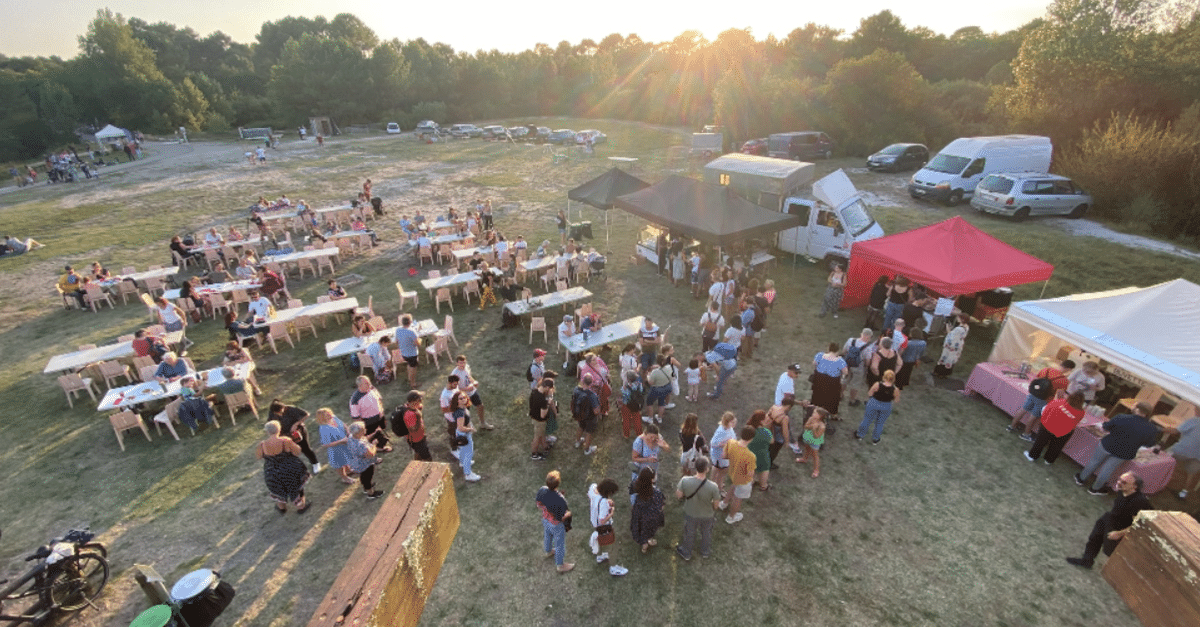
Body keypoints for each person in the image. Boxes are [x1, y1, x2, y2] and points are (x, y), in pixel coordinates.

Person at [1065, 472, 1152, 570]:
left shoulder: (1139, 502)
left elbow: (1141, 524)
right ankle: (1087, 561)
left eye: (1124, 482)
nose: (1119, 483)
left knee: (1111, 551)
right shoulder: (1122, 490)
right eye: (1119, 479)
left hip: (1120, 528)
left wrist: (1119, 533)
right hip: (1110, 518)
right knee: (1094, 539)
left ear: (1134, 486)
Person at [1075, 402, 1160, 495]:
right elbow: (1149, 444)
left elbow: (1105, 427)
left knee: (1094, 462)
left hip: (1107, 445)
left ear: (1137, 409)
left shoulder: (1122, 417)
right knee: (1108, 470)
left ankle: (1081, 479)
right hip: (1124, 452)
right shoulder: (1152, 429)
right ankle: (1095, 489)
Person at [1008, 359, 1076, 438]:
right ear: (1069, 369)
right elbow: (1060, 395)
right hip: (1045, 399)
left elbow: (1036, 380)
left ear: (1061, 363)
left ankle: (1011, 426)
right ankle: (1026, 434)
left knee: (1023, 409)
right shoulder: (1064, 381)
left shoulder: (1046, 369)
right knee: (1033, 417)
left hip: (1034, 393)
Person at [257, 421, 312, 513]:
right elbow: (297, 452)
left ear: (267, 432)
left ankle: (281, 508)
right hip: (289, 468)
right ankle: (301, 507)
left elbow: (258, 457)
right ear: (279, 429)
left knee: (278, 489)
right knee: (295, 487)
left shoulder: (261, 445)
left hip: (271, 471)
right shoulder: (285, 440)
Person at [674, 457, 720, 561]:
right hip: (707, 515)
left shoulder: (685, 480)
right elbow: (716, 506)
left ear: (695, 468)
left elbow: (679, 496)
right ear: (707, 469)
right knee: (706, 533)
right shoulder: (713, 486)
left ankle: (686, 553)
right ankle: (705, 552)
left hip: (691, 513)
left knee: (689, 533)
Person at [1025, 392, 1088, 465]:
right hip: (1064, 431)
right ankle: (1049, 460)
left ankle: (1032, 456)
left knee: (1040, 442)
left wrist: (1043, 420)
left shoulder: (1060, 401)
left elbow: (1046, 409)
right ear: (1082, 402)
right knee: (1056, 446)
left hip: (1048, 426)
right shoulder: (1081, 412)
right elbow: (1076, 421)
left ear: (1069, 397)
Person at [536, 470, 574, 573]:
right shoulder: (560, 500)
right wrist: (569, 514)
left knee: (547, 535)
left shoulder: (542, 490)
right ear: (558, 484)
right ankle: (560, 565)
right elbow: (561, 517)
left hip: (545, 519)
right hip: (556, 525)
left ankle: (548, 551)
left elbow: (538, 505)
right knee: (559, 544)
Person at [270, 400, 321, 474]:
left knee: (305, 448)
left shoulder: (291, 409)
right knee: (290, 452)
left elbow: (306, 414)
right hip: (285, 435)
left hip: (298, 432)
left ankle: (315, 463)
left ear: (283, 407)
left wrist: (296, 424)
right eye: (277, 413)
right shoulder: (273, 413)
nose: (279, 414)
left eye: (281, 412)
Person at [588, 479, 627, 575]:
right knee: (613, 546)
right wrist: (611, 512)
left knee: (600, 540)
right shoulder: (604, 503)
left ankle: (600, 556)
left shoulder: (593, 489)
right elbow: (602, 520)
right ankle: (613, 568)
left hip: (594, 524)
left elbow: (591, 492)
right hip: (604, 527)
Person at [720, 426, 758, 524]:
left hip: (733, 474)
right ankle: (731, 517)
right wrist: (752, 479)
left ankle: (724, 504)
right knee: (737, 499)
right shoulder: (751, 456)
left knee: (733, 487)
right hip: (743, 480)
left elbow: (724, 456)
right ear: (751, 439)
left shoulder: (731, 442)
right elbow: (750, 473)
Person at [349, 376, 391, 452]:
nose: (370, 384)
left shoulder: (372, 388)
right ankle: (380, 447)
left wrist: (381, 410)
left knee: (381, 428)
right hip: (369, 421)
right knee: (375, 434)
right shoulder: (355, 399)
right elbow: (355, 417)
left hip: (380, 415)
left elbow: (379, 398)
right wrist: (362, 427)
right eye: (366, 383)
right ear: (360, 386)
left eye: (369, 382)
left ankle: (383, 438)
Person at [856, 370, 899, 444]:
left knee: (867, 419)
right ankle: (875, 439)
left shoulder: (877, 384)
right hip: (886, 405)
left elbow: (870, 393)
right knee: (880, 423)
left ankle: (860, 435)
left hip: (874, 403)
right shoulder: (895, 389)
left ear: (884, 377)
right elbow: (896, 400)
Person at [629, 467, 666, 554]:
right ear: (652, 480)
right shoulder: (656, 493)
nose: (656, 476)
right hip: (651, 516)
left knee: (640, 528)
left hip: (639, 513)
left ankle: (644, 545)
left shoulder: (636, 485)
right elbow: (661, 506)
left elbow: (630, 491)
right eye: (655, 475)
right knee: (649, 530)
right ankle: (648, 541)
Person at [451, 354, 493, 429]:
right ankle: (465, 430)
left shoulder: (467, 367)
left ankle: (483, 423)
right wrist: (467, 389)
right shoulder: (454, 374)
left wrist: (474, 382)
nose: (463, 364)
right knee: (465, 414)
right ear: (457, 363)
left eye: (464, 362)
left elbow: (469, 376)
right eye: (460, 363)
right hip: (464, 396)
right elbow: (455, 389)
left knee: (480, 406)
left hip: (472, 391)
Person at [1165, 412, 1200, 499]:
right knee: (1191, 474)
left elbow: (1175, 431)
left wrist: (1161, 429)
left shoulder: (1194, 420)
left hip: (1182, 450)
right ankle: (1183, 493)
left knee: (1162, 458)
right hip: (1198, 455)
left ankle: (1156, 481)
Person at [346, 421, 384, 499]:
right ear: (357, 433)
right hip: (364, 464)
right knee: (367, 477)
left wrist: (374, 433)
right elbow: (371, 455)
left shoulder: (351, 436)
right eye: (363, 430)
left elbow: (364, 439)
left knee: (363, 476)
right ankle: (370, 493)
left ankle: (366, 487)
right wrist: (374, 445)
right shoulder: (361, 445)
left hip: (356, 462)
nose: (365, 430)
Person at [316, 408, 355, 484]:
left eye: (329, 413)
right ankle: (344, 478)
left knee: (346, 458)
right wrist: (341, 441)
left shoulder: (334, 417)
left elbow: (343, 424)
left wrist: (347, 431)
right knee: (340, 464)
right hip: (336, 449)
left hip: (345, 444)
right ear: (322, 418)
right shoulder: (323, 428)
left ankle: (349, 470)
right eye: (327, 415)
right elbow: (326, 444)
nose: (330, 415)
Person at [450, 391, 481, 482]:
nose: (464, 399)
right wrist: (470, 429)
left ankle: (462, 463)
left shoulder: (462, 408)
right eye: (461, 398)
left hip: (461, 433)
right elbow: (461, 427)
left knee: (463, 451)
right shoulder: (460, 413)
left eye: (464, 397)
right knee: (468, 454)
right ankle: (468, 474)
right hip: (463, 434)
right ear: (457, 401)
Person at [812, 342, 849, 418]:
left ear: (828, 348)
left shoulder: (820, 355)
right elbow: (845, 372)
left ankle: (815, 410)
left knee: (817, 394)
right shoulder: (840, 361)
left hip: (819, 379)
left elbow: (814, 363)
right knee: (832, 398)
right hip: (832, 382)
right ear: (837, 350)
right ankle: (831, 414)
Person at [393, 391, 432, 462]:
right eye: (420, 399)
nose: (421, 400)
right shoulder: (409, 415)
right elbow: (413, 430)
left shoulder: (411, 406)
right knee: (427, 458)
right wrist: (419, 417)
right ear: (415, 401)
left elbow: (420, 407)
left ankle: (415, 465)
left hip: (419, 437)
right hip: (416, 440)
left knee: (418, 453)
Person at [709, 412, 738, 500]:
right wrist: (724, 444)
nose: (734, 423)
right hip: (720, 456)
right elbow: (713, 443)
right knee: (722, 472)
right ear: (726, 422)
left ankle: (713, 483)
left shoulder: (728, 428)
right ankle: (719, 488)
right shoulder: (721, 431)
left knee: (717, 469)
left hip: (723, 456)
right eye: (732, 422)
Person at [931, 315, 970, 380]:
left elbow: (950, 335)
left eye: (959, 317)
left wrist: (947, 327)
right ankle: (945, 374)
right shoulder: (966, 327)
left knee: (945, 358)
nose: (957, 318)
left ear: (962, 319)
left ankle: (939, 372)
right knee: (951, 360)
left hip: (951, 346)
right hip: (957, 346)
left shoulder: (958, 329)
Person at [571, 374, 601, 455]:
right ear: (591, 383)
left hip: (580, 414)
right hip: (590, 417)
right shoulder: (592, 395)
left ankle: (577, 442)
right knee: (589, 432)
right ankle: (587, 450)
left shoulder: (576, 390)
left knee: (581, 427)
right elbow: (596, 411)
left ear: (582, 381)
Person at [796, 407, 829, 478]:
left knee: (815, 455)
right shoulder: (811, 418)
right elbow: (805, 426)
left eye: (815, 413)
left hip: (815, 442)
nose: (813, 414)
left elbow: (817, 436)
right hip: (808, 438)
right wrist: (812, 426)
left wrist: (814, 429)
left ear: (820, 416)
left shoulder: (822, 426)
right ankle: (805, 458)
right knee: (807, 448)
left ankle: (816, 470)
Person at [529, 377, 556, 460]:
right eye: (550, 389)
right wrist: (548, 403)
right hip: (539, 421)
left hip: (534, 416)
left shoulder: (534, 391)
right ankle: (534, 454)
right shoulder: (542, 400)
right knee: (537, 437)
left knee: (541, 435)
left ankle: (546, 447)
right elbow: (543, 415)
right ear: (547, 387)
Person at [746, 410, 773, 491]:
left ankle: (751, 482)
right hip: (762, 455)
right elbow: (772, 441)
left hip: (750, 452)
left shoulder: (749, 428)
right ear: (761, 421)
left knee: (751, 468)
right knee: (764, 469)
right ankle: (763, 486)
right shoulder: (766, 432)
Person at [643, 357, 672, 425]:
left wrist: (648, 375)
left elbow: (650, 382)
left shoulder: (655, 372)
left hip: (656, 389)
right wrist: (659, 366)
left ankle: (650, 418)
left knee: (649, 402)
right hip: (666, 387)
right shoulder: (669, 367)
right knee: (661, 402)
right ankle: (659, 418)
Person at [619, 371, 645, 439]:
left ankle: (626, 435)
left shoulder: (625, 387)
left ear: (628, 379)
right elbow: (641, 391)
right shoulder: (639, 384)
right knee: (637, 420)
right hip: (636, 405)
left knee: (626, 420)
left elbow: (623, 395)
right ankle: (639, 434)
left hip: (626, 405)